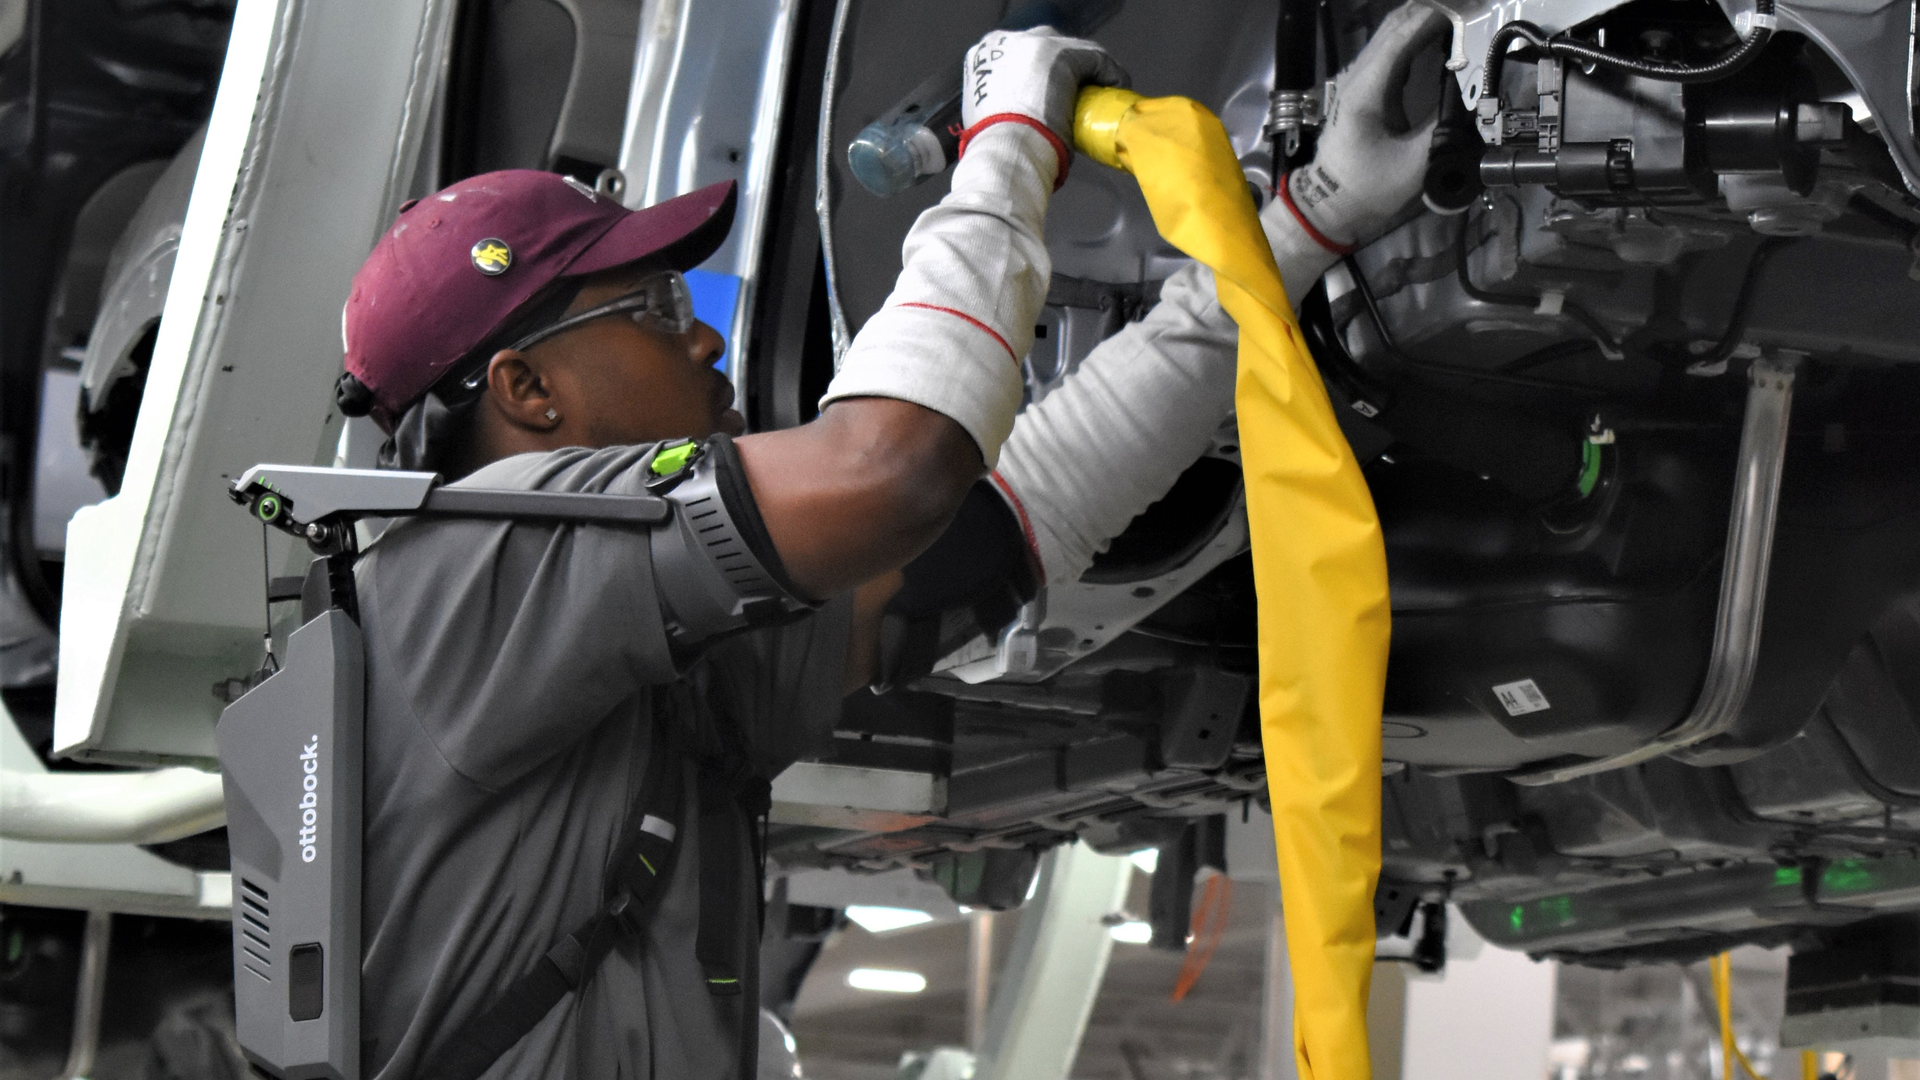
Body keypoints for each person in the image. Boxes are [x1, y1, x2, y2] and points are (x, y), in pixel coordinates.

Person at [331, 8, 1444, 1079]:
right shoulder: (476, 558)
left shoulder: (580, 646)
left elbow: (996, 530)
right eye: (657, 309)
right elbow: (892, 468)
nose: (706, 334)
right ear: (525, 390)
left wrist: (1302, 227)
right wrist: (1007, 150)